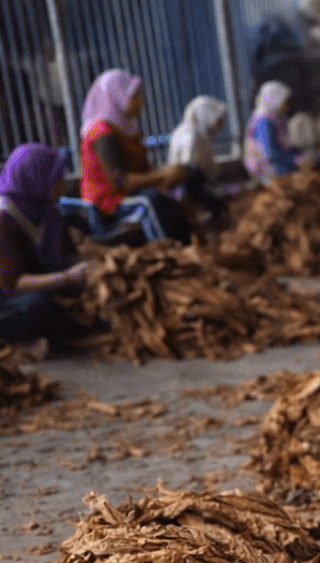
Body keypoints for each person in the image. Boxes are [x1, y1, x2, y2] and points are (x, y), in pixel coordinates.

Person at [78, 69, 193, 244]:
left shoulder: (126, 129)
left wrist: (169, 173)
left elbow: (142, 170)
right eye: (134, 96)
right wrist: (162, 175)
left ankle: (190, 242)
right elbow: (121, 181)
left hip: (129, 193)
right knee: (151, 201)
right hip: (108, 202)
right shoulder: (101, 133)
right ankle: (167, 248)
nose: (141, 101)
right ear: (116, 97)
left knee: (184, 179)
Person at [0, 144, 94, 357]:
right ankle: (12, 343)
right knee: (37, 306)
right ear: (34, 178)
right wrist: (68, 278)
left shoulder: (48, 211)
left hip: (39, 285)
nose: (63, 185)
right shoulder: (4, 219)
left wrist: (96, 265)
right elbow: (13, 284)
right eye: (56, 179)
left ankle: (44, 335)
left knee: (83, 320)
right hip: (8, 298)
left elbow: (65, 257)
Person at [243, 80, 320, 182]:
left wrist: (301, 155)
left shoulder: (276, 117)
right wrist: (296, 160)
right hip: (266, 169)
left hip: (279, 161)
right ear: (274, 100)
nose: (287, 105)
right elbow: (270, 154)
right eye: (285, 102)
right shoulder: (263, 122)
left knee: (319, 161)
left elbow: (284, 145)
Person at [167, 95, 227, 178]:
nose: (221, 125)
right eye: (218, 120)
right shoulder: (190, 134)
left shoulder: (200, 133)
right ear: (206, 116)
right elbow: (188, 168)